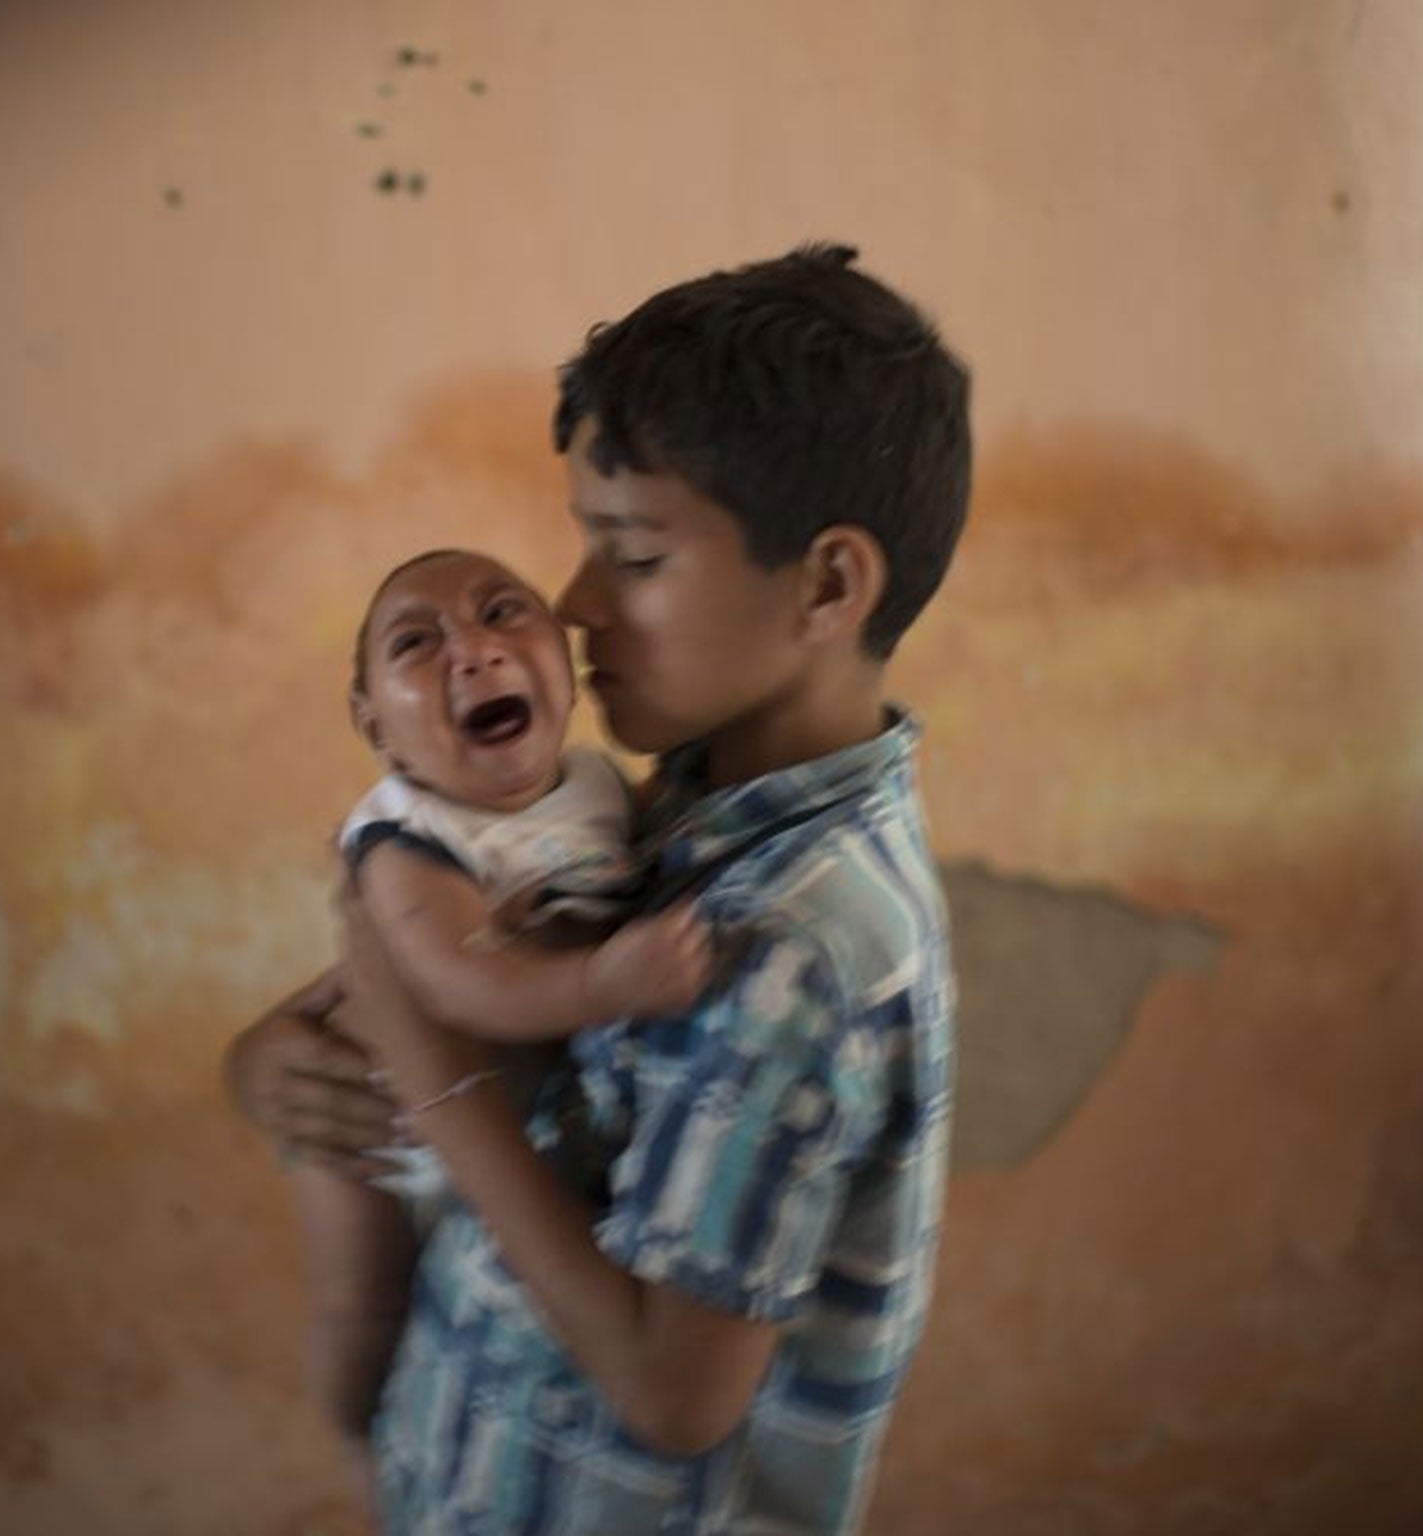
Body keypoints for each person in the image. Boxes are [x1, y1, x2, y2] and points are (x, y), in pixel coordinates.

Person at [227, 242, 970, 1534]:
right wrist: (278, 1057)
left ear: (829, 584)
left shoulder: (794, 944)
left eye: (631, 555)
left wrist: (436, 1085)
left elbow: (671, 1396)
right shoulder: (687, 802)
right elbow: (467, 970)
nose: (571, 606)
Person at [291, 547, 714, 1513]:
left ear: (564, 670)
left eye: (502, 613)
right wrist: (604, 978)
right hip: (377, 1137)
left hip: (490, 1123)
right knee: (362, 1310)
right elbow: (458, 985)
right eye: (416, 643)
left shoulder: (603, 789)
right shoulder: (406, 837)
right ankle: (360, 1444)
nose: (473, 652)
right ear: (374, 727)